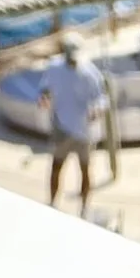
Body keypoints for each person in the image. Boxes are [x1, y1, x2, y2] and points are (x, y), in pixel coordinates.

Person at [40, 34, 106, 214]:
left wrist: (97, 111)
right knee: (56, 167)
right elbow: (44, 89)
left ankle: (84, 208)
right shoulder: (54, 68)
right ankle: (52, 204)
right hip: (62, 127)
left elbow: (101, 98)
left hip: (84, 130)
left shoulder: (90, 73)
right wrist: (44, 99)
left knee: (84, 169)